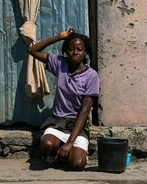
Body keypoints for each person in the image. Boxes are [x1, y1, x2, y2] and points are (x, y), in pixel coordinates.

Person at [28, 29, 99, 171]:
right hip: (57, 123)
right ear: (66, 51)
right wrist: (58, 37)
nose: (75, 52)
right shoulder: (60, 64)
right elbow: (32, 50)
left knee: (77, 164)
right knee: (47, 144)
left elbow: (84, 112)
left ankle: (69, 152)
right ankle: (56, 151)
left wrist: (70, 143)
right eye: (71, 49)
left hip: (77, 127)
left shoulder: (91, 76)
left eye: (80, 49)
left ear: (85, 52)